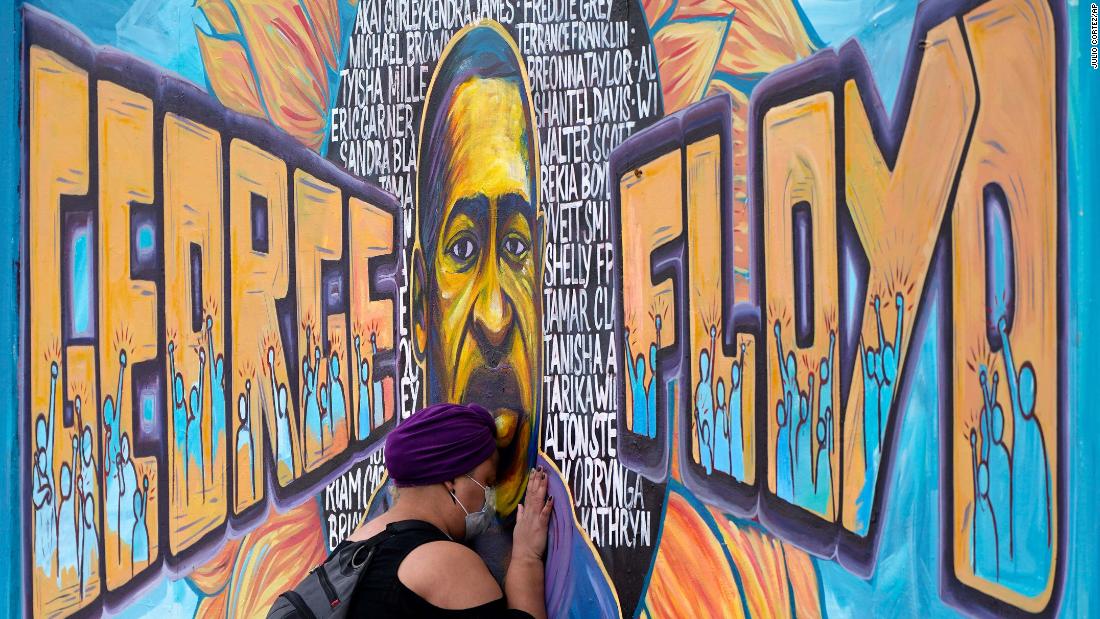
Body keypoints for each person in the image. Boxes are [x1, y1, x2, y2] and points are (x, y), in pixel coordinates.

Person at [342, 403, 549, 617]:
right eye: (487, 482)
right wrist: (527, 558)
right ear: (451, 479)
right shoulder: (448, 564)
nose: (491, 499)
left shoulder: (350, 548)